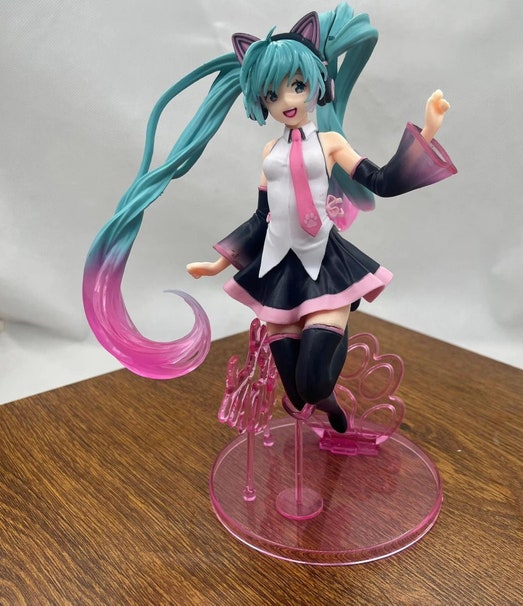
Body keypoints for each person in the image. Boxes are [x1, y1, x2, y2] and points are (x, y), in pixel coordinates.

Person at [83, 5, 456, 433]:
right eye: (272, 95)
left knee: (312, 380)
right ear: (260, 101)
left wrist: (427, 133)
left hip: (326, 264)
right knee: (296, 393)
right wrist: (220, 263)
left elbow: (381, 181)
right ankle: (326, 399)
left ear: (315, 82)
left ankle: (333, 359)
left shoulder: (331, 143)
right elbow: (263, 217)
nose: (287, 101)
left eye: (297, 86)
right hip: (280, 270)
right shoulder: (270, 153)